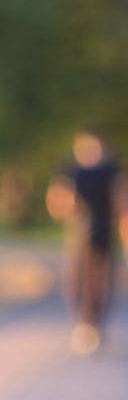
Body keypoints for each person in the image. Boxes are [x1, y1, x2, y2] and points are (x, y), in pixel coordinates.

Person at [46, 128, 125, 355]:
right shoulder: (71, 171)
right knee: (77, 280)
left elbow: (121, 200)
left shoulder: (111, 170)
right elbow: (57, 202)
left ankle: (95, 326)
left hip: (102, 234)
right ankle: (82, 325)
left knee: (100, 282)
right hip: (78, 235)